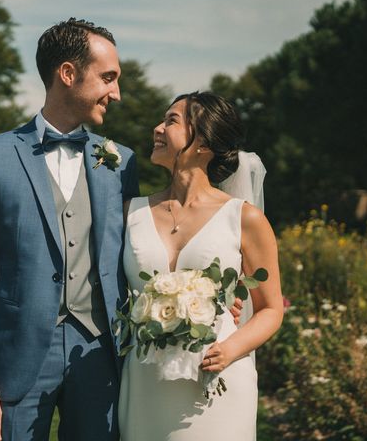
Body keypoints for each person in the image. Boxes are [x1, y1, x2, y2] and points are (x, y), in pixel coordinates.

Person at [0, 18, 138, 441]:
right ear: (68, 74)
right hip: (16, 361)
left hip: (101, 358)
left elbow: (141, 252)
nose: (117, 93)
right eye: (108, 78)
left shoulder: (120, 163)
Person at [118, 91, 284, 440]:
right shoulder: (129, 212)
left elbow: (271, 309)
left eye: (171, 121)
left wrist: (230, 349)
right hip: (146, 381)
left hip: (216, 377)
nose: (157, 128)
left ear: (204, 143)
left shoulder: (244, 219)